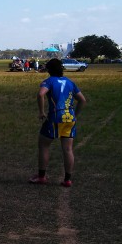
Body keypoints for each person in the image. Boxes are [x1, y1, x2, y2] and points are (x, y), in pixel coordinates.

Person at [29, 58, 86, 187]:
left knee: (44, 145)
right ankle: (67, 179)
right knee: (68, 149)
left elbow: (40, 94)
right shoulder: (70, 82)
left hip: (55, 117)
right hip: (69, 118)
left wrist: (41, 112)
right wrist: (75, 115)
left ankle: (42, 176)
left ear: (49, 70)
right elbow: (82, 100)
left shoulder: (49, 81)